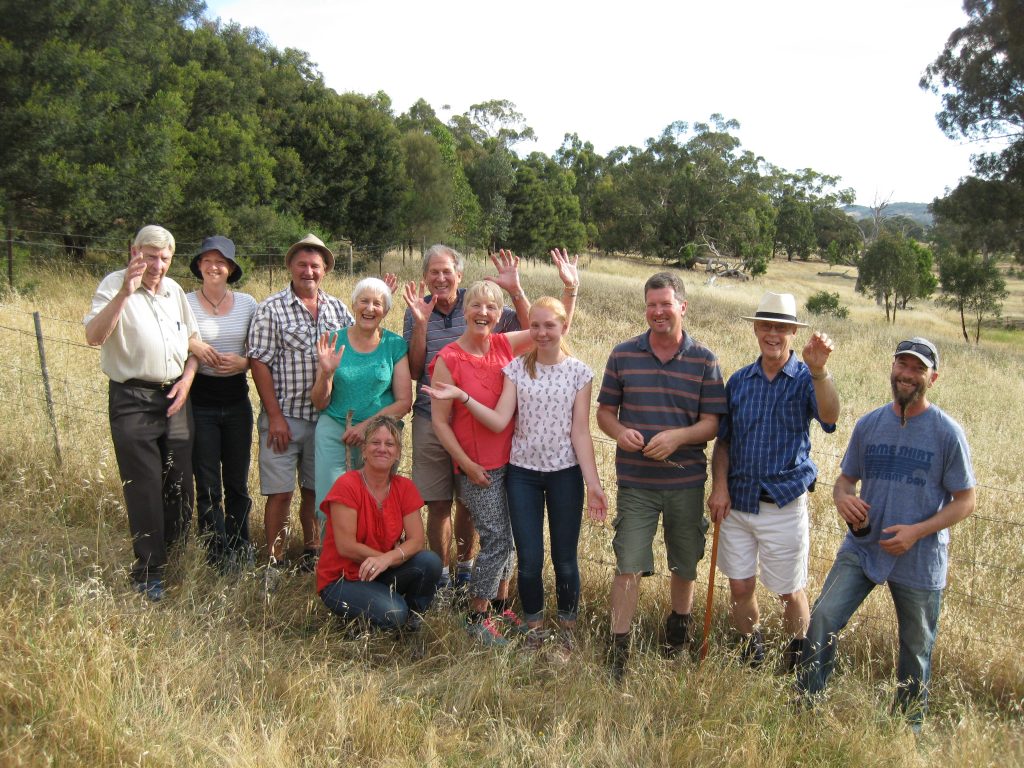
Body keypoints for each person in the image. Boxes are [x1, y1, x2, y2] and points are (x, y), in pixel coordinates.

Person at [798, 337, 975, 730]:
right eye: (902, 365)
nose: (907, 375)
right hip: (863, 547)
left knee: (916, 646)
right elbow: (844, 482)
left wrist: (917, 531)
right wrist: (843, 499)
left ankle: (908, 727)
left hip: (920, 557)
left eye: (917, 368)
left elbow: (966, 500)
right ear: (892, 368)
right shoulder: (869, 424)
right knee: (823, 616)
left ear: (933, 377)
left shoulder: (947, 433)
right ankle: (806, 706)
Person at [423, 296, 607, 653]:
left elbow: (581, 433)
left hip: (565, 475)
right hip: (522, 474)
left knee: (565, 557)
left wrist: (594, 483)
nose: (540, 332)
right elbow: (498, 419)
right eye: (534, 325)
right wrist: (462, 396)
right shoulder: (517, 368)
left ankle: (566, 632)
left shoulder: (580, 372)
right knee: (529, 556)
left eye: (549, 325)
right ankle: (534, 630)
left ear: (564, 326)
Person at [596, 271, 727, 679]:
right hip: (636, 481)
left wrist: (677, 438)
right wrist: (620, 432)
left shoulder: (705, 360)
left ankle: (677, 635)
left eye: (665, 304)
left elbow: (712, 424)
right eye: (651, 304)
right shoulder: (623, 355)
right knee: (628, 562)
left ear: (682, 307)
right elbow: (604, 413)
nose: (657, 312)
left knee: (685, 562)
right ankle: (619, 649)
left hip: (685, 481)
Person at [708, 292, 840, 671]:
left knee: (789, 589)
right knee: (740, 586)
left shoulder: (805, 379)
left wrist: (820, 371)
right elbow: (725, 441)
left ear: (793, 333)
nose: (772, 334)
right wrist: (719, 487)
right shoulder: (739, 381)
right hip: (739, 500)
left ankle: (798, 655)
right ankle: (752, 652)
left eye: (781, 328)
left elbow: (830, 417)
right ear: (755, 329)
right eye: (766, 326)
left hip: (783, 503)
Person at [402, 246, 530, 593]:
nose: (440, 278)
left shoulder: (478, 304)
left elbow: (537, 332)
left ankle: (467, 571)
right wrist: (421, 324)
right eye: (434, 272)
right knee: (438, 503)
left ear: (459, 275)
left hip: (479, 424)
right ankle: (441, 579)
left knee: (470, 505)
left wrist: (517, 291)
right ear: (425, 276)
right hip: (433, 416)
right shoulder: (417, 310)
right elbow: (416, 370)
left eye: (447, 272)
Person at [84, 224, 201, 601]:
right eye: (150, 256)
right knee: (145, 485)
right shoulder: (114, 285)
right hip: (132, 398)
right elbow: (94, 336)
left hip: (176, 397)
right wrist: (124, 294)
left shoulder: (175, 291)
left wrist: (187, 380)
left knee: (181, 481)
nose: (157, 264)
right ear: (133, 252)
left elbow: (193, 343)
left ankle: (176, 555)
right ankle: (148, 572)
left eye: (165, 258)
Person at [247, 234, 354, 572]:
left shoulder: (338, 309)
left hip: (325, 419)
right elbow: (259, 362)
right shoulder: (271, 308)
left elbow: (353, 354)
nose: (309, 271)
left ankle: (311, 550)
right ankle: (275, 559)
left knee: (315, 490)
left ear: (325, 271)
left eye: (315, 266)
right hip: (286, 417)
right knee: (280, 493)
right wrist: (274, 416)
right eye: (302, 265)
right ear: (291, 267)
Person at [317, 415, 442, 631]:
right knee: (394, 612)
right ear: (364, 450)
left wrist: (388, 559)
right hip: (343, 579)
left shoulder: (404, 487)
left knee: (429, 561)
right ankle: (365, 623)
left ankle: (412, 622)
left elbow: (417, 540)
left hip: (380, 569)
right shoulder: (347, 485)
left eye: (389, 444)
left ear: (397, 454)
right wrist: (385, 558)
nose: (382, 449)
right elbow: (346, 546)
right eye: (375, 442)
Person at [185, 235, 258, 573]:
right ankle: (215, 552)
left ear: (230, 268)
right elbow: (169, 335)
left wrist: (243, 364)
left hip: (236, 401)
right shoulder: (183, 302)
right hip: (199, 401)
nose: (214, 267)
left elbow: (258, 351)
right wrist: (192, 345)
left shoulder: (247, 304)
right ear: (199, 265)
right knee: (208, 482)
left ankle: (241, 546)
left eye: (221, 262)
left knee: (237, 482)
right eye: (207, 260)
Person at [312, 277, 411, 519]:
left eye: (377, 303)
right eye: (364, 301)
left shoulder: (394, 344)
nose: (370, 308)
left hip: (380, 435)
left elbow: (404, 402)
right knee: (332, 502)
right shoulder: (334, 341)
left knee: (375, 504)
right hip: (335, 428)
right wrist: (326, 373)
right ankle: (333, 555)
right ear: (354, 304)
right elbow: (319, 402)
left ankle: (374, 556)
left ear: (386, 310)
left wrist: (366, 428)